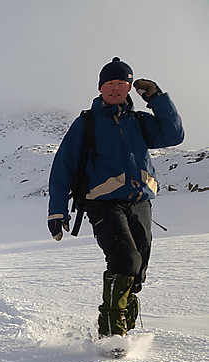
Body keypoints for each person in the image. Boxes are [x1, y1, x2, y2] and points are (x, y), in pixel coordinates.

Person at [48, 58, 184, 338]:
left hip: (140, 203)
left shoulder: (139, 121)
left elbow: (174, 135)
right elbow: (63, 166)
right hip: (103, 204)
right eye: (110, 83)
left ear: (129, 87)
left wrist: (157, 99)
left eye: (122, 82)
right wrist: (57, 210)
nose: (116, 88)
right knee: (125, 261)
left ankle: (126, 321)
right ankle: (111, 334)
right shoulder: (86, 123)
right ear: (101, 88)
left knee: (138, 271)